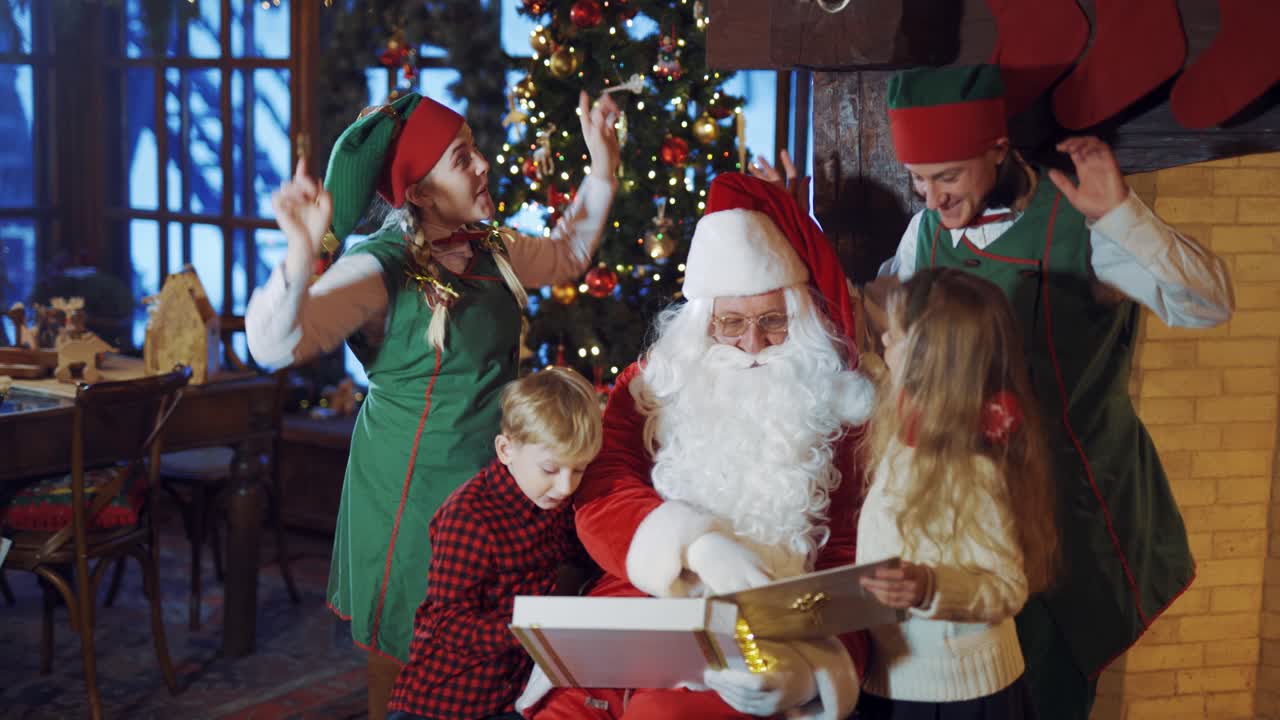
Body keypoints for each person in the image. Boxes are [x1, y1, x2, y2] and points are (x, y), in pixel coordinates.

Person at [245, 90, 620, 719]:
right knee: (410, 665)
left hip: (497, 490)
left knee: (491, 664)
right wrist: (300, 251)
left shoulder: (490, 248)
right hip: (411, 498)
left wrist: (602, 169)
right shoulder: (378, 269)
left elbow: (566, 255)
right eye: (460, 157)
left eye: (474, 149)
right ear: (417, 191)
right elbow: (273, 346)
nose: (481, 166)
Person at [877, 64, 1234, 720]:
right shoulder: (925, 233)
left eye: (948, 176)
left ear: (997, 149)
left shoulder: (1081, 224)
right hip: (970, 522)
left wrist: (1122, 216)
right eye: (918, 180)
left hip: (1070, 518)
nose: (932, 200)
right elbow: (892, 331)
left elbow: (1208, 306)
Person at [521, 173, 876, 720]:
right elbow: (602, 494)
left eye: (773, 322)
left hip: (774, 629)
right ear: (700, 320)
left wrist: (811, 675)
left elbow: (852, 559)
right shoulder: (652, 384)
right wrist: (694, 547)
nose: (752, 343)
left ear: (799, 316)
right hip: (645, 604)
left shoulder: (838, 403)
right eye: (731, 322)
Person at [856, 267, 1058, 719]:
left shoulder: (972, 466)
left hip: (958, 695)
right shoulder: (904, 431)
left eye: (896, 335)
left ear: (933, 359)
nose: (883, 341)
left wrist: (929, 587)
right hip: (891, 678)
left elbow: (1006, 587)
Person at [387, 367, 604, 720]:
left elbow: (582, 556)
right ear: (505, 450)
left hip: (512, 697)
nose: (566, 486)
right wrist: (532, 632)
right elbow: (448, 624)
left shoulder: (554, 502)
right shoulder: (470, 518)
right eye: (551, 469)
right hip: (445, 701)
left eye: (578, 470)